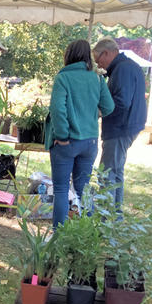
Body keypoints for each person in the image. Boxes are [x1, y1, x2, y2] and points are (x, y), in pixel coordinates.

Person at [46, 40, 115, 227]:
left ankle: (58, 236)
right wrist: (92, 114)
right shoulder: (97, 78)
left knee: (61, 189)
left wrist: (61, 136)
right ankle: (86, 233)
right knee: (83, 189)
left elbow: (57, 109)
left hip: (67, 142)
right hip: (90, 141)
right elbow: (109, 107)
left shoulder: (63, 78)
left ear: (68, 55)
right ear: (87, 56)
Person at [92, 38, 147, 210]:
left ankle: (105, 218)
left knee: (106, 174)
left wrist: (99, 112)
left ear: (106, 53)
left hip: (121, 127)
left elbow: (121, 102)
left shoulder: (122, 69)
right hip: (127, 125)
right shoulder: (125, 66)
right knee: (116, 173)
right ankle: (115, 216)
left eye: (98, 60)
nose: (99, 65)